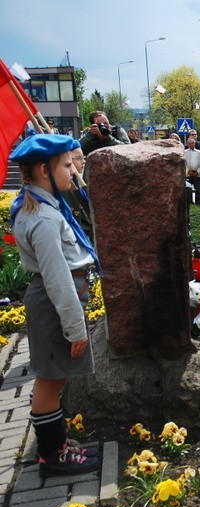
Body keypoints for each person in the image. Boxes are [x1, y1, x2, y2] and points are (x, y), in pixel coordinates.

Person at [9, 134, 101, 476]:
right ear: (43, 170)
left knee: (54, 377)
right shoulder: (44, 219)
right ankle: (52, 456)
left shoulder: (43, 206)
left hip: (53, 301)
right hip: (54, 304)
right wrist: (75, 328)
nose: (73, 170)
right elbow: (58, 279)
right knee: (50, 380)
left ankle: (57, 445)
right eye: (65, 165)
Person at [64, 146, 93, 240]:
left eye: (83, 157)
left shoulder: (79, 184)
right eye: (78, 158)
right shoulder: (65, 189)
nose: (83, 161)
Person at [185, 137, 200, 205]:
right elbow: (184, 163)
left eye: (192, 143)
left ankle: (198, 203)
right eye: (189, 143)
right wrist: (188, 171)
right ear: (187, 144)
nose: (191, 144)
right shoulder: (185, 152)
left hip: (197, 173)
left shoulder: (199, 152)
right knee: (189, 189)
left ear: (195, 144)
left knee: (198, 189)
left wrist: (198, 171)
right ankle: (190, 202)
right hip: (188, 173)